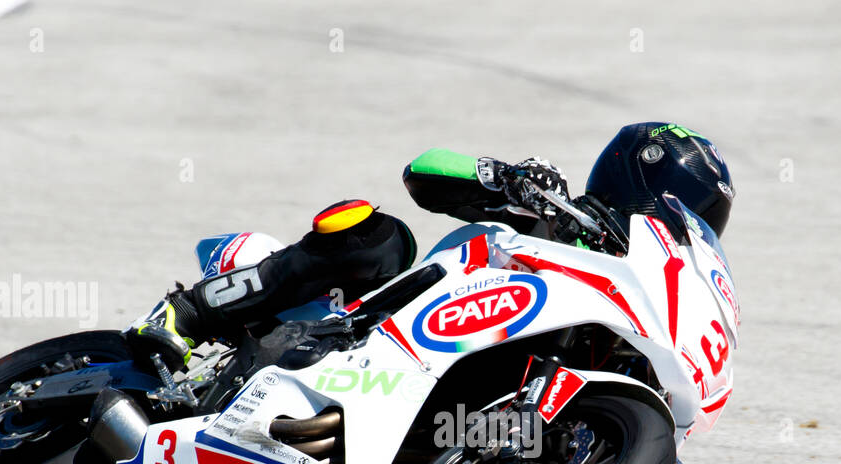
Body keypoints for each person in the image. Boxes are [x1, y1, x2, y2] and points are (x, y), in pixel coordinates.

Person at [129, 121, 734, 368]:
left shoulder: (639, 304)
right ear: (648, 176)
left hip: (444, 378)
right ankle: (189, 313)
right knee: (377, 238)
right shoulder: (558, 208)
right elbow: (424, 170)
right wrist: (507, 180)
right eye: (692, 201)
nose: (692, 220)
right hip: (372, 322)